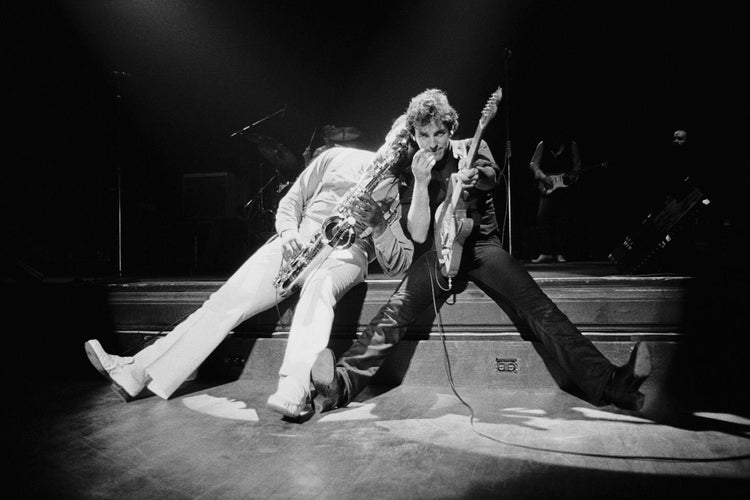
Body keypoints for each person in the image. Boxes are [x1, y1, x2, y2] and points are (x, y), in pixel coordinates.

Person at [310, 88, 652, 414]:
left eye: (439, 134)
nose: (433, 143)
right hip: (436, 254)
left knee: (539, 308)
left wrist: (474, 176)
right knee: (393, 313)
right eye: (425, 135)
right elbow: (417, 232)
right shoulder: (412, 168)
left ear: (450, 129)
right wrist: (420, 183)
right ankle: (339, 385)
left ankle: (613, 384)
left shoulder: (472, 147)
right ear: (414, 135)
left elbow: (492, 177)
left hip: (481, 248)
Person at [84, 119, 415, 419]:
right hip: (301, 240)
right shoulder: (336, 156)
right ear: (388, 134)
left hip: (347, 252)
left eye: (408, 146)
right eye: (400, 138)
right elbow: (291, 201)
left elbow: (397, 263)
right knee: (225, 302)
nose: (401, 147)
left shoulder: (398, 194)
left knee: (319, 293)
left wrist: (380, 225)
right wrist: (287, 234)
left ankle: (294, 389)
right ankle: (135, 371)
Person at [528, 124, 582, 264]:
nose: (555, 142)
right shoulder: (542, 145)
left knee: (562, 220)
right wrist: (542, 176)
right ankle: (545, 252)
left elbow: (577, 166)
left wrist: (573, 176)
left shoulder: (572, 146)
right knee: (542, 218)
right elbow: (534, 164)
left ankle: (559, 252)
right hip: (547, 186)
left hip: (564, 187)